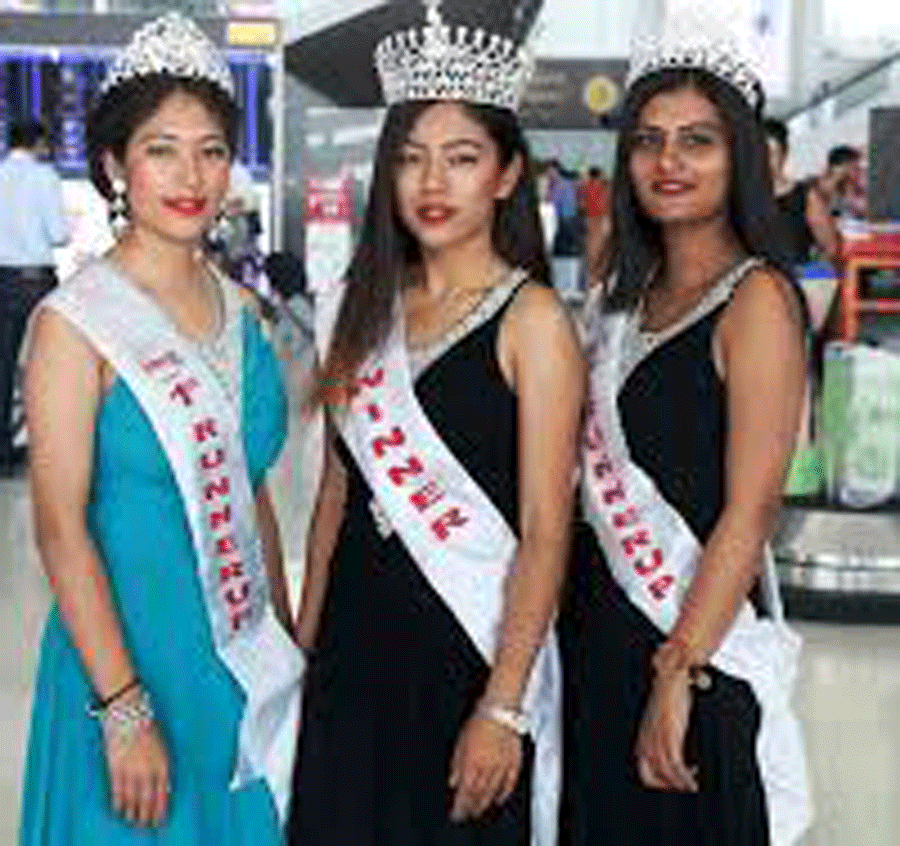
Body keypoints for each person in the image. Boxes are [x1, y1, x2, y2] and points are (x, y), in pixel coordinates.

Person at [288, 2, 585, 845]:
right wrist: (304, 649)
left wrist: (503, 705)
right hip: (351, 654)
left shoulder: (533, 322)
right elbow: (336, 496)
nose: (432, 183)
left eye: (461, 159)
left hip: (467, 655)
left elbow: (546, 530)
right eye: (411, 159)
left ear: (506, 174)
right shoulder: (361, 307)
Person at [19, 13, 302, 845]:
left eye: (211, 150)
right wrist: (122, 708)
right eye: (162, 149)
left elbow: (250, 495)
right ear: (115, 165)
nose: (191, 175)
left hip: (238, 659)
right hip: (126, 660)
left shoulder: (244, 313)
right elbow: (58, 527)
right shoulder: (75, 324)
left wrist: (286, 647)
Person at [560, 11, 811, 846]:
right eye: (649, 141)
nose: (668, 162)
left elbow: (751, 509)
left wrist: (680, 666)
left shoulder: (758, 302)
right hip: (596, 634)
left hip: (692, 645)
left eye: (697, 141)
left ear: (739, 157)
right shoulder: (619, 300)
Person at [0, 119, 70, 474]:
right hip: (34, 281)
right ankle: (51, 447)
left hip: (2, 278)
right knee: (49, 365)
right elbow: (58, 234)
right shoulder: (44, 177)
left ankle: (3, 451)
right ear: (39, 143)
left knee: (3, 365)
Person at [763, 118, 841, 268]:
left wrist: (811, 273)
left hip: (795, 275)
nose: (764, 160)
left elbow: (830, 247)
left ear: (784, 154)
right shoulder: (744, 197)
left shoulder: (805, 196)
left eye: (771, 154)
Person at [578, 166, 612, 286]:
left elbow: (581, 203)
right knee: (599, 242)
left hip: (591, 215)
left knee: (592, 242)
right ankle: (593, 274)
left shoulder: (586, 184)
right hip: (600, 216)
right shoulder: (604, 185)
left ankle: (592, 273)